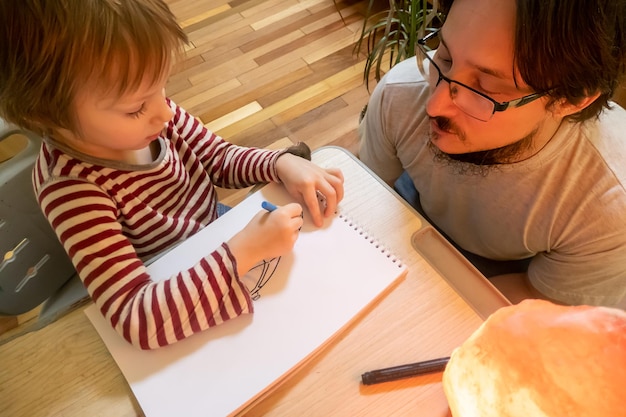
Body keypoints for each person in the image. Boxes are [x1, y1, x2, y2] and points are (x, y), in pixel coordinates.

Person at [0, 0, 344, 349]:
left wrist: (279, 163)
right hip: (168, 279)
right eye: (136, 108)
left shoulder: (155, 116)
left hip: (211, 234)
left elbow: (219, 158)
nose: (165, 113)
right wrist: (243, 252)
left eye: (161, 88)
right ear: (48, 118)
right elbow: (135, 316)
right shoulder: (72, 189)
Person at [359, 0, 626, 308]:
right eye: (445, 56)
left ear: (569, 100)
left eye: (484, 88)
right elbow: (370, 203)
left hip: (516, 270)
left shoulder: (607, 204)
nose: (434, 105)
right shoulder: (401, 94)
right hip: (411, 211)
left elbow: (541, 299)